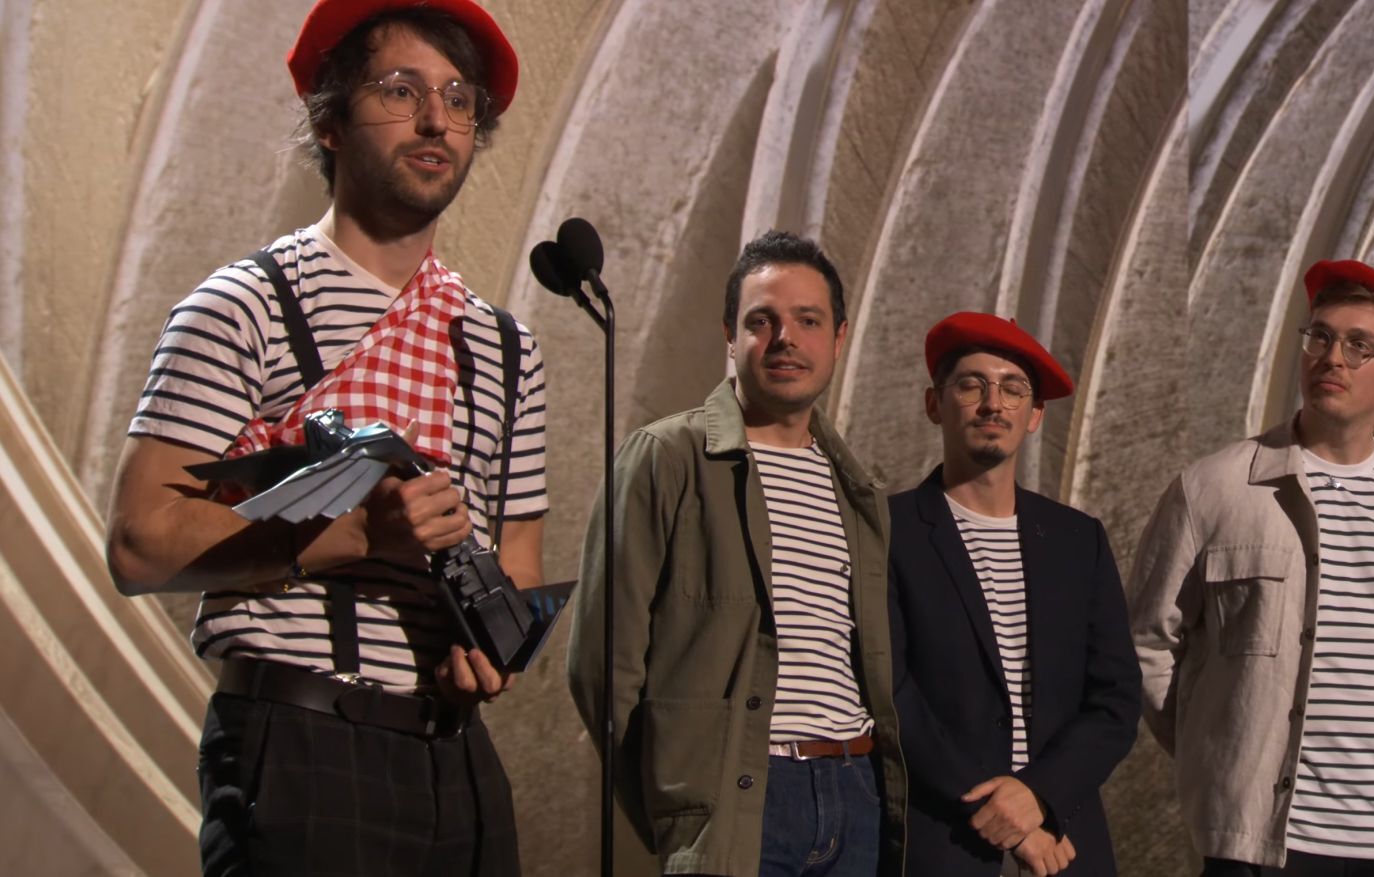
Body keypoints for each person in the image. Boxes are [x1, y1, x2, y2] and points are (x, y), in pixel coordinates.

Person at [104, 1, 543, 873]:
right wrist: (351, 530)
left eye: (459, 99)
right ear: (329, 121)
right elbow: (140, 543)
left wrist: (492, 651)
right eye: (401, 90)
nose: (436, 120)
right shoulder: (242, 307)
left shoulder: (504, 345)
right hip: (300, 740)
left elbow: (519, 560)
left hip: (456, 760)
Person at [567, 231, 906, 876]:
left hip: (854, 788)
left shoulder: (856, 489)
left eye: (808, 320)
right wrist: (679, 805)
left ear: (839, 338)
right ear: (731, 335)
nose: (785, 338)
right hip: (739, 798)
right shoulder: (666, 457)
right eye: (762, 320)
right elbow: (600, 666)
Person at [1129, 260, 1374, 876]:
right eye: (1320, 337)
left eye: (1359, 345)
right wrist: (1223, 754)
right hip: (1269, 845)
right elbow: (1147, 644)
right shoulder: (1213, 488)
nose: (1332, 358)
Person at [887, 313, 1140, 876]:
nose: (992, 404)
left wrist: (1039, 794)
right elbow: (893, 695)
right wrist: (999, 811)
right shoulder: (888, 532)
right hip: (942, 845)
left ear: (1035, 414)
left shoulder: (1078, 539)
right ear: (934, 404)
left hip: (1065, 842)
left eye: (1013, 389)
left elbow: (1117, 699)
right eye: (971, 385)